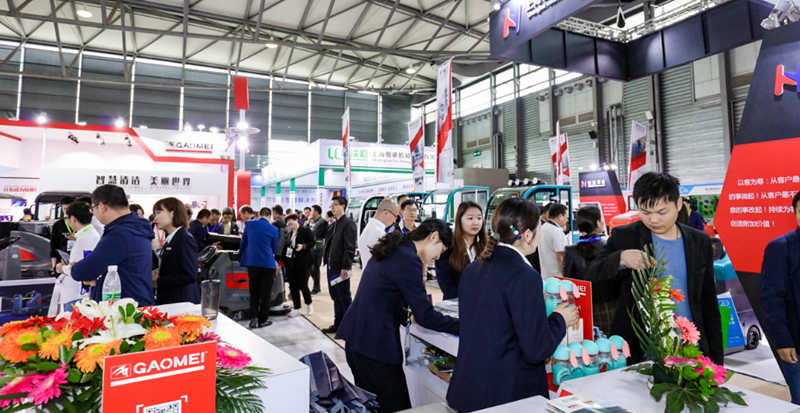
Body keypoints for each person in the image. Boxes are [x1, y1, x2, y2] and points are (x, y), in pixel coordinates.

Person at [447, 198, 579, 412]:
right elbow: (536, 349)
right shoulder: (524, 275)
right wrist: (560, 320)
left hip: (469, 391)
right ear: (527, 235)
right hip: (508, 396)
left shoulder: (474, 267)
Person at [584, 172, 723, 364]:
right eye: (645, 212)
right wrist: (620, 259)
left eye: (661, 212)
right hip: (641, 351)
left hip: (691, 348)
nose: (654, 220)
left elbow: (708, 302)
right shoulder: (625, 237)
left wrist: (716, 360)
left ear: (678, 204)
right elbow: (591, 275)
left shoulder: (699, 241)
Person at [337, 218, 459, 412]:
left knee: (372, 406)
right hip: (375, 348)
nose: (437, 257)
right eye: (441, 250)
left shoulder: (396, 247)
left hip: (358, 342)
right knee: (397, 406)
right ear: (433, 237)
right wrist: (463, 325)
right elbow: (425, 316)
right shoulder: (408, 259)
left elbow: (388, 295)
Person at [71, 185, 155, 305]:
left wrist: (76, 268)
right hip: (136, 299)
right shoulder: (136, 228)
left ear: (102, 207)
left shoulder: (120, 234)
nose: (93, 214)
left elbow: (84, 270)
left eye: (93, 209)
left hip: (124, 309)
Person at [761, 190, 800, 404]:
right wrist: (783, 341)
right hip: (796, 344)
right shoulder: (781, 247)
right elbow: (771, 299)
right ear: (795, 213)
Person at [563, 206, 616, 334]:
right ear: (598, 223)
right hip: (610, 307)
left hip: (582, 309)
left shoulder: (570, 251)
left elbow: (568, 282)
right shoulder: (610, 247)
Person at [52, 202, 100, 316]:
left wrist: (60, 268)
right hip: (80, 293)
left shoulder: (84, 239)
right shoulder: (90, 235)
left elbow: (78, 269)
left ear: (73, 219)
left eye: (67, 218)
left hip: (77, 295)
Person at [435, 201, 488, 300]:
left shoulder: (487, 247)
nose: (476, 222)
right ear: (459, 220)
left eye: (479, 218)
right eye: (470, 218)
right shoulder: (448, 248)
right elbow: (447, 287)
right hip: (456, 304)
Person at [152, 197, 200, 305]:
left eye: (158, 213)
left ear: (172, 213)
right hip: (171, 299)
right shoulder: (172, 238)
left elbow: (189, 275)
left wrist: (159, 281)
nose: (155, 219)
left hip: (181, 301)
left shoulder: (184, 239)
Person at [238, 205, 279, 328]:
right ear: (269, 216)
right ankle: (263, 320)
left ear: (260, 214)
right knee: (265, 294)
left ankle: (253, 319)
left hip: (253, 263)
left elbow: (243, 242)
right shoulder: (274, 229)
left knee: (254, 292)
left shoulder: (249, 224)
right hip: (268, 264)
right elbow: (274, 248)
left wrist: (241, 254)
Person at [322, 196, 357, 334]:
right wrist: (325, 220)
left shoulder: (348, 224)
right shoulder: (334, 224)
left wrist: (346, 266)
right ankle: (338, 324)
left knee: (344, 297)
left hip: (341, 268)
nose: (332, 208)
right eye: (331, 205)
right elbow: (319, 234)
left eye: (335, 205)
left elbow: (350, 247)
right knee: (336, 296)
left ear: (343, 206)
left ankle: (349, 327)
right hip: (332, 266)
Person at [284, 214, 314, 316]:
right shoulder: (289, 233)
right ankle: (297, 308)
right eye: (288, 223)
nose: (289, 224)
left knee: (303, 285)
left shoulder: (305, 230)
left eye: (291, 221)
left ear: (296, 220)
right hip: (291, 264)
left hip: (304, 263)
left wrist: (303, 246)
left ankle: (309, 304)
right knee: (293, 286)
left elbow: (312, 242)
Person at [358, 198, 398, 269]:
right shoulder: (379, 233)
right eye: (395, 216)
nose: (394, 221)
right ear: (386, 213)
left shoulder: (368, 228)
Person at [538, 203, 568, 278]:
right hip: (557, 276)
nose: (567, 220)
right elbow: (561, 256)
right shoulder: (556, 231)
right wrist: (566, 275)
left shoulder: (543, 228)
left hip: (545, 274)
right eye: (566, 217)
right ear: (560, 216)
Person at [50, 196, 75, 272]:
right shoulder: (57, 225)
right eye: (64, 209)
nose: (67, 211)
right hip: (62, 262)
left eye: (69, 209)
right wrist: (54, 267)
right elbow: (53, 247)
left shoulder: (81, 224)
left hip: (77, 261)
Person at [309, 204, 327, 294]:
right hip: (311, 247)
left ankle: (316, 288)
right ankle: (317, 285)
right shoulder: (312, 221)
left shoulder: (322, 222)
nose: (310, 213)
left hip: (318, 248)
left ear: (316, 212)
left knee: (315, 268)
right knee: (310, 268)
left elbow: (315, 234)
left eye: (312, 211)